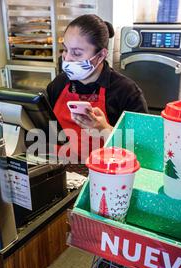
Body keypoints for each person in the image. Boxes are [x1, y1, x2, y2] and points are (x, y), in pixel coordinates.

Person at [46, 14, 148, 161]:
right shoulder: (59, 84)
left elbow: (144, 148)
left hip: (104, 176)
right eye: (65, 50)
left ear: (101, 55)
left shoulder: (127, 92)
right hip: (59, 170)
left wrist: (105, 129)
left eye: (76, 53)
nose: (67, 58)